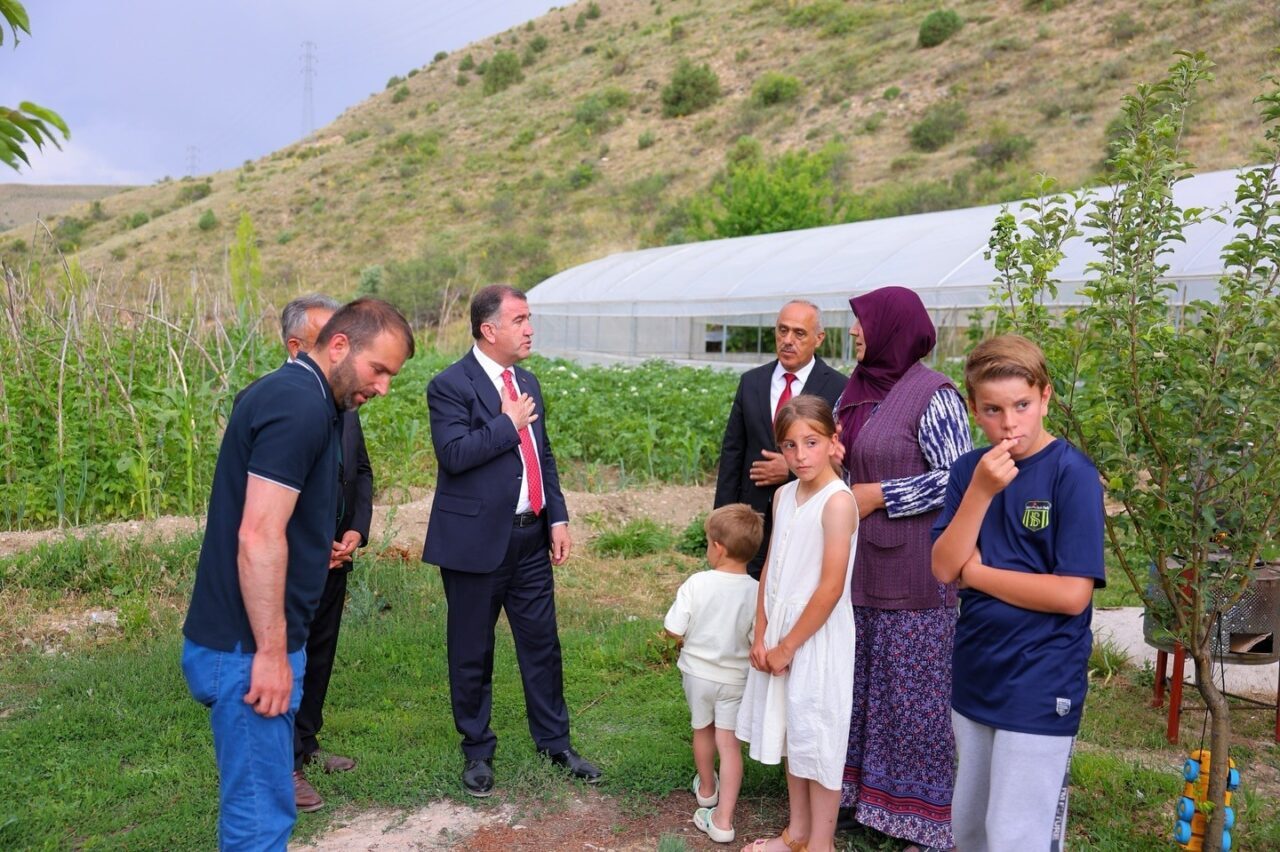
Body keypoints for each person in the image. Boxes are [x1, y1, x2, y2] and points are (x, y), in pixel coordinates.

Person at [182, 298, 414, 851]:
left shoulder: (304, 397)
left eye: (391, 376)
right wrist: (269, 654)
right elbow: (258, 536)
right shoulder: (299, 405)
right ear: (339, 345)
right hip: (247, 649)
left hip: (252, 643)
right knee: (260, 818)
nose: (383, 388)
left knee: (264, 806)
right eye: (378, 369)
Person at [422, 284, 601, 798]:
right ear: (489, 329)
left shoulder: (527, 381)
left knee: (542, 645)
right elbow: (454, 455)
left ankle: (555, 743)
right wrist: (507, 423)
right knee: (472, 651)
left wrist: (557, 517)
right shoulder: (449, 385)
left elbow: (542, 455)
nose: (529, 329)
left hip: (529, 538)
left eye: (529, 318)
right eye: (519, 320)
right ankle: (477, 751)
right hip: (474, 542)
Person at [931, 334, 1105, 851]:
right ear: (974, 410)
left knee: (1015, 835)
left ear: (1045, 397)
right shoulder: (970, 472)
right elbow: (943, 566)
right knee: (970, 827)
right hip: (976, 670)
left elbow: (1071, 595)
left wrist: (979, 575)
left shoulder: (1072, 474)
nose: (1010, 424)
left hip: (1041, 679)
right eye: (993, 410)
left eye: (1022, 405)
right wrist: (982, 492)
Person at [834, 286, 972, 851]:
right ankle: (865, 803)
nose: (854, 331)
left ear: (892, 328)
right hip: (858, 566)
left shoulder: (934, 396)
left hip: (916, 572)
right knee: (862, 688)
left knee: (913, 699)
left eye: (863, 322)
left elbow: (958, 479)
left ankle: (924, 820)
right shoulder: (857, 390)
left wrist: (880, 495)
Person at [736, 395, 858, 852]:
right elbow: (771, 566)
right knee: (794, 731)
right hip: (780, 631)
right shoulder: (783, 495)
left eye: (812, 442)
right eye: (790, 445)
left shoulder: (838, 502)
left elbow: (831, 587)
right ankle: (797, 834)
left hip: (816, 636)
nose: (801, 455)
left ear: (833, 440)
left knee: (819, 737)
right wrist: (763, 630)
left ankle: (821, 844)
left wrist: (788, 645)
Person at [277, 297, 375, 813]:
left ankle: (307, 742)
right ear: (297, 346)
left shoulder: (344, 402)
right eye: (328, 339)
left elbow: (361, 472)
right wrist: (315, 548)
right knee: (286, 659)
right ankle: (284, 763)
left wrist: (356, 529)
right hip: (295, 562)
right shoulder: (278, 402)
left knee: (319, 653)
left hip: (337, 555)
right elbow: (272, 500)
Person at [714, 300, 846, 579]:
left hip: (806, 515)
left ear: (819, 338)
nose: (787, 340)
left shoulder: (838, 387)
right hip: (752, 518)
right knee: (744, 590)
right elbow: (733, 452)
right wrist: (722, 520)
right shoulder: (752, 382)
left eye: (799, 333)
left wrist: (789, 470)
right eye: (782, 330)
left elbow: (842, 457)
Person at [663, 503, 763, 845]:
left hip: (698, 675)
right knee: (729, 743)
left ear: (717, 548)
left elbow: (673, 628)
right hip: (735, 679)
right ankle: (723, 820)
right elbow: (757, 638)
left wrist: (684, 639)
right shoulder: (756, 591)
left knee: (702, 729)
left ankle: (707, 790)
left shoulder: (697, 583)